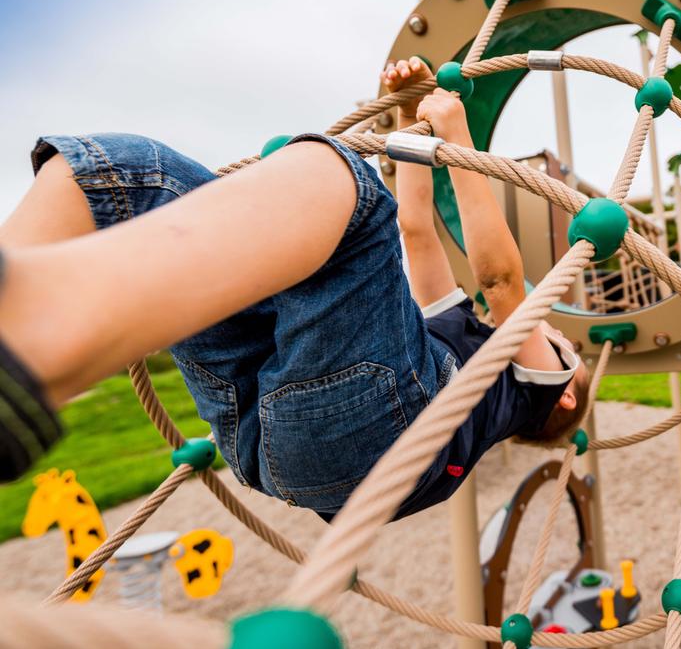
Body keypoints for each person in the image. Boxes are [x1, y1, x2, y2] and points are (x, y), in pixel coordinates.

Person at [0, 57, 590, 521]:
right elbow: (418, 231)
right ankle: (16, 311)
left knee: (338, 180)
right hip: (275, 442)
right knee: (132, 172)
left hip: (378, 439)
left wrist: (457, 135)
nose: (561, 337)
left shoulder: (540, 385)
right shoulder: (458, 333)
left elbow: (504, 282)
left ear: (565, 394)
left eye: (571, 353)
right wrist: (417, 128)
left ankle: (26, 349)